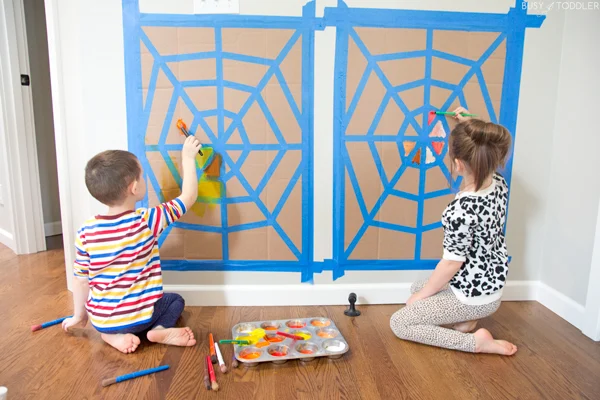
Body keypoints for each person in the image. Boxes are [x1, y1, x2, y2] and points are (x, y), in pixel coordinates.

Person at [390, 107, 517, 355]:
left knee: (400, 321)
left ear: (458, 164)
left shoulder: (460, 211)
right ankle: (466, 323)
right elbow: (479, 146)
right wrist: (466, 125)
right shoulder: (498, 183)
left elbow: (450, 264)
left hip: (472, 295)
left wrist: (421, 297)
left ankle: (476, 343)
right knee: (418, 287)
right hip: (491, 282)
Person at [61, 136, 202, 354]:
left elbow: (81, 281)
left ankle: (110, 335)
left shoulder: (85, 232)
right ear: (134, 188)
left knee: (101, 316)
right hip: (142, 318)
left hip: (103, 319)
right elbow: (189, 197)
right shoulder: (147, 220)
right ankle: (159, 329)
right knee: (174, 301)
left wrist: (78, 316)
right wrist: (188, 157)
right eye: (142, 176)